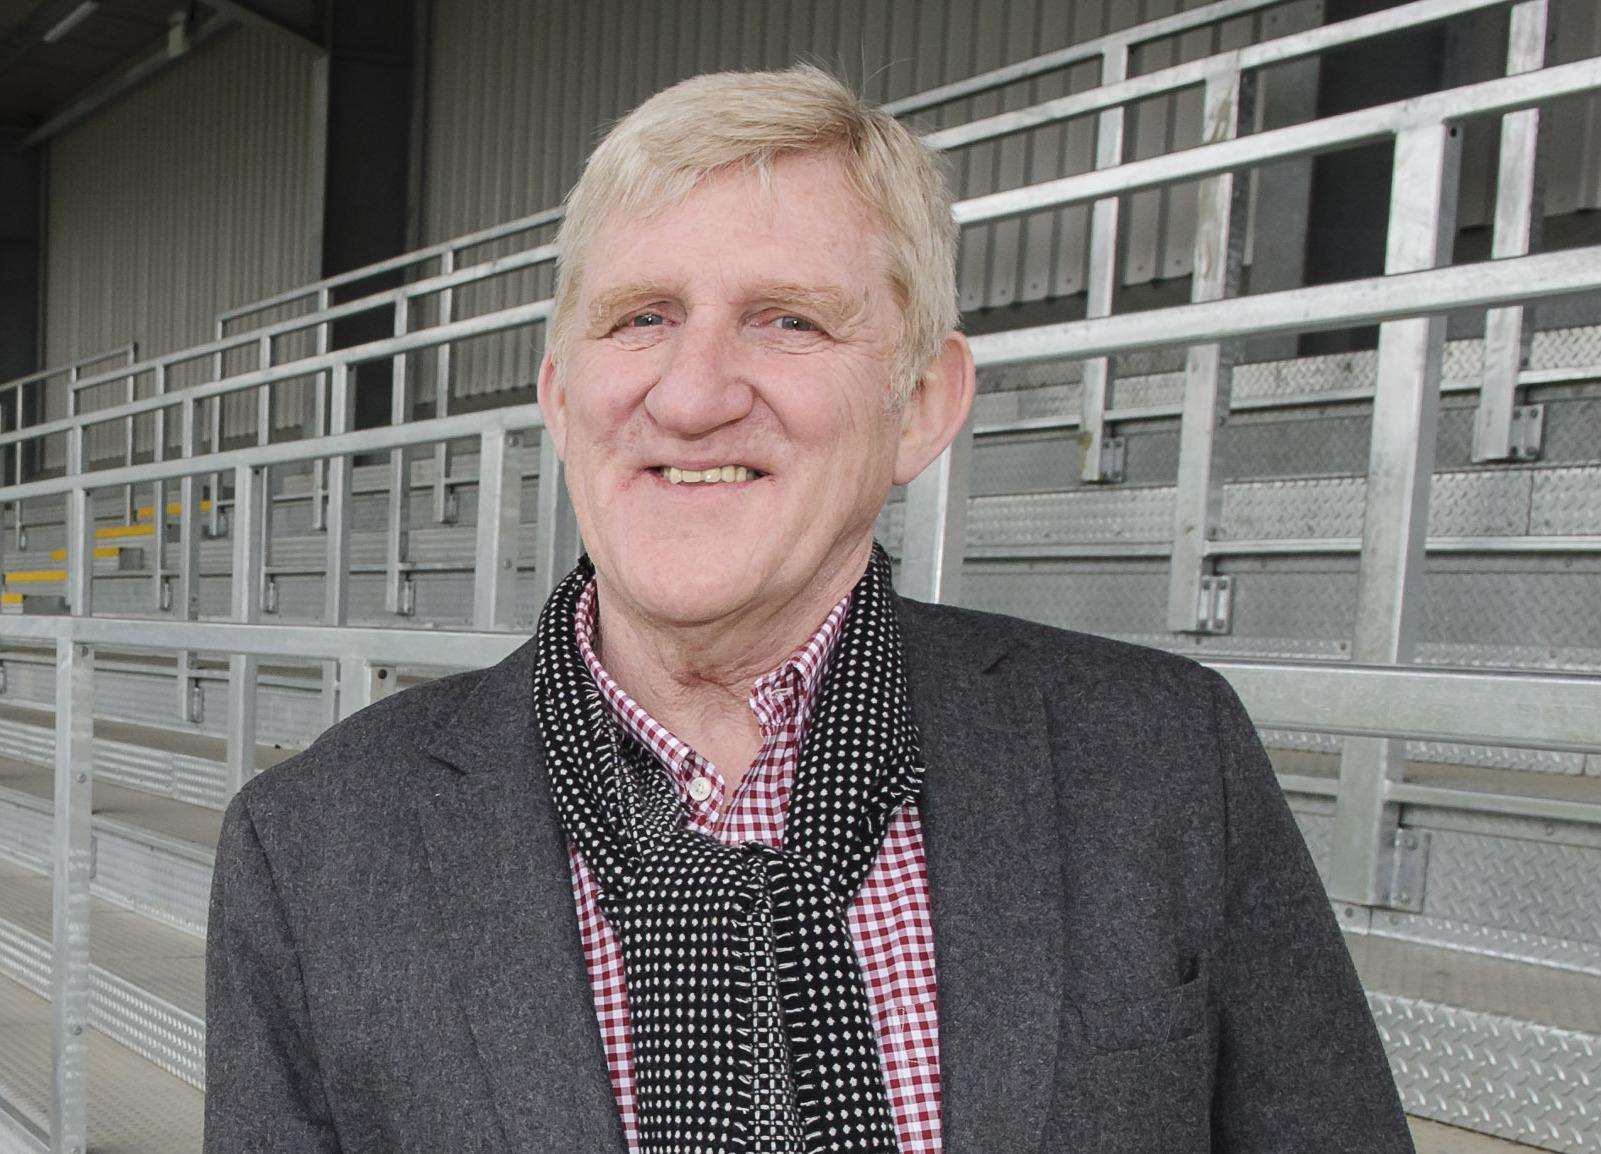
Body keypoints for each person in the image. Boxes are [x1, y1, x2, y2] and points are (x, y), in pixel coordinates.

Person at [204, 64, 1414, 1154]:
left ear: (922, 403)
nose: (690, 395)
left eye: (786, 318)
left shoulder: (1159, 757)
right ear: (563, 397)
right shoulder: (311, 846)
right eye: (641, 318)